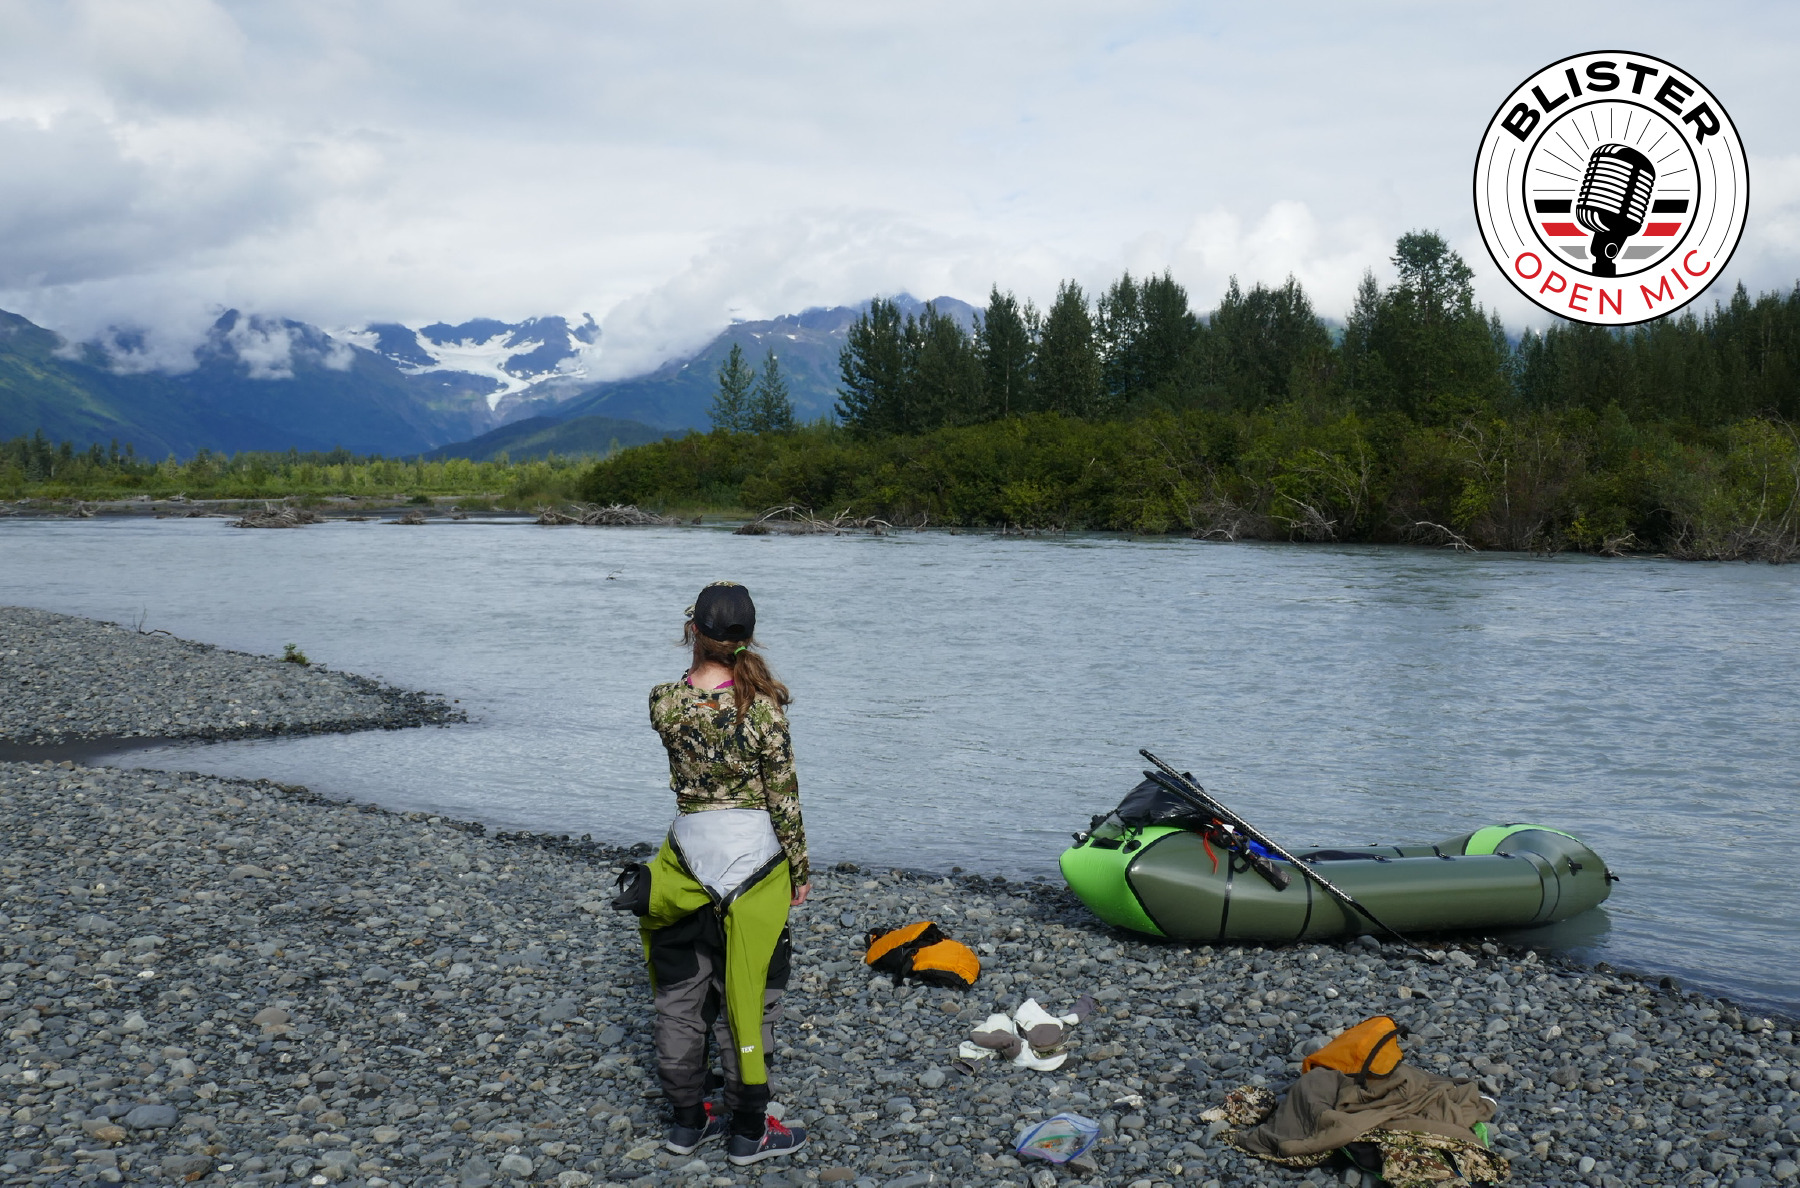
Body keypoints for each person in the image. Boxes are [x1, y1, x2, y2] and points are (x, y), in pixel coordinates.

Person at [640, 580, 811, 1166]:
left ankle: (686, 1123)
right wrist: (799, 869)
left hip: (687, 859)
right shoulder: (763, 708)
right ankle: (748, 1131)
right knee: (751, 999)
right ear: (748, 638)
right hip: (754, 864)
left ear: (693, 631)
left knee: (681, 999)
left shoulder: (664, 700)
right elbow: (784, 796)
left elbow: (698, 706)